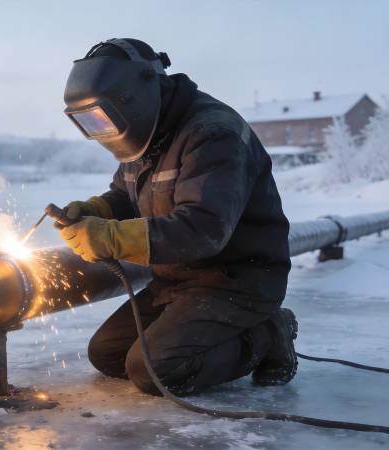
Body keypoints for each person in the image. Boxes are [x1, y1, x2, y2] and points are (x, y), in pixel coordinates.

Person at [57, 38, 297, 395]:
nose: (103, 129)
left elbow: (204, 230)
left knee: (155, 370)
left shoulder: (213, 133)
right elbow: (125, 196)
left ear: (133, 96)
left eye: (105, 117)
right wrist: (97, 210)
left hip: (237, 280)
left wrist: (111, 238)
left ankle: (270, 333)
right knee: (107, 355)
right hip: (177, 281)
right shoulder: (146, 133)